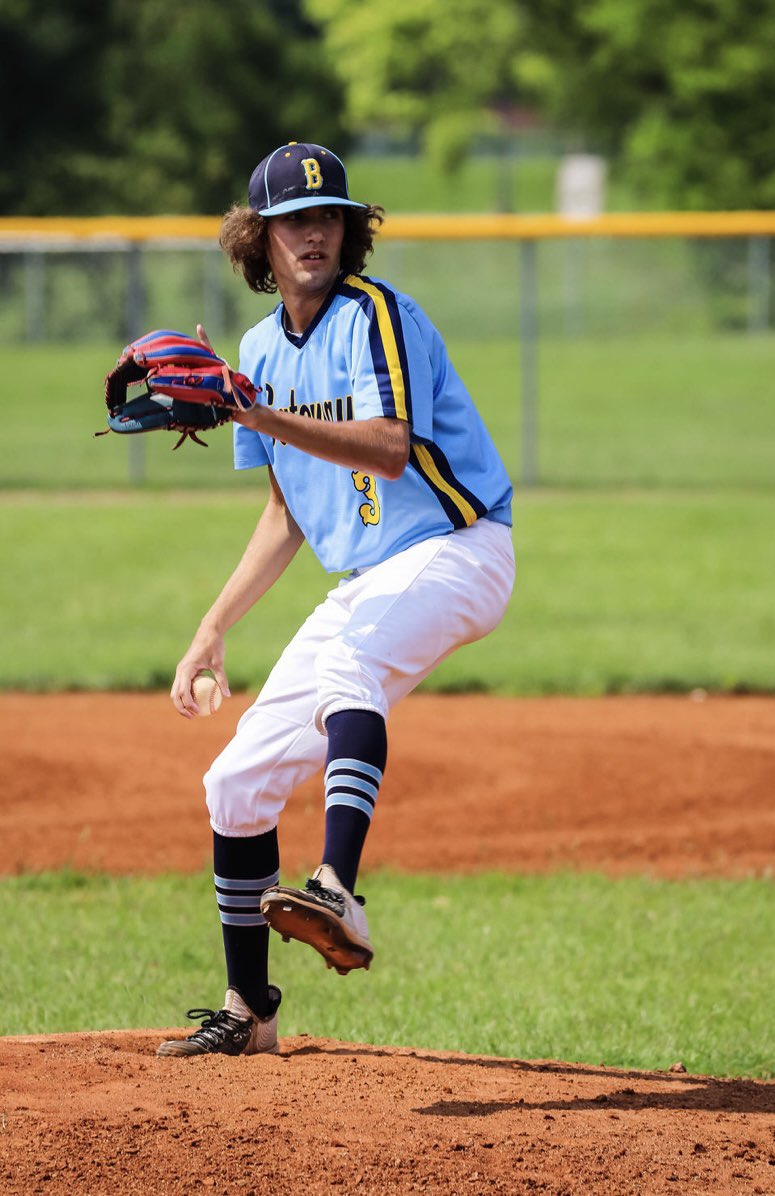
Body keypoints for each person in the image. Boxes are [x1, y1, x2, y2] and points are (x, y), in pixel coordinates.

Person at [156, 142, 515, 1058]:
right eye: (291, 222)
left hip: (456, 548)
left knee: (351, 665)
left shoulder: (375, 315)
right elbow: (286, 511)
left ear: (348, 231)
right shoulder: (257, 351)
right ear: (260, 242)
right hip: (368, 580)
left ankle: (337, 888)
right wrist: (211, 628)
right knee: (235, 785)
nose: (312, 234)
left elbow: (391, 448)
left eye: (327, 218)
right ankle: (249, 1012)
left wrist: (254, 414)